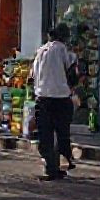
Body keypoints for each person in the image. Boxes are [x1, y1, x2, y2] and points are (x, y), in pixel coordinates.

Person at [29, 23, 78, 181]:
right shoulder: (63, 50)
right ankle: (64, 160)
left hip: (42, 98)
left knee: (46, 134)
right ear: (64, 37)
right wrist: (72, 89)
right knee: (62, 132)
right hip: (61, 98)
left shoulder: (40, 51)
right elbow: (72, 74)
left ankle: (51, 167)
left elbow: (31, 76)